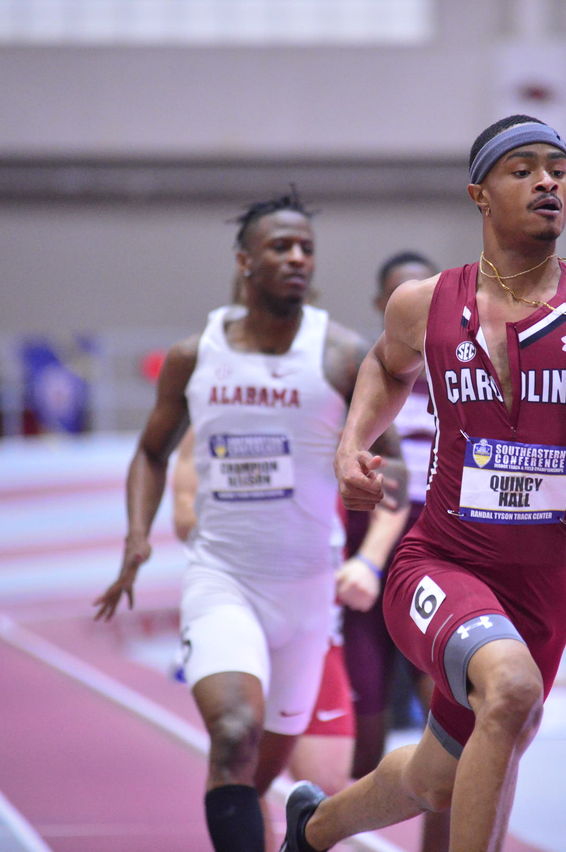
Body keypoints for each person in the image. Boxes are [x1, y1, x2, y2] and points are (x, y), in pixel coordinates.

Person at [282, 115, 566, 852]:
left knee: (440, 778)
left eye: (558, 170)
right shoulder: (425, 303)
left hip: (540, 593)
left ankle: (312, 829)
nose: (547, 183)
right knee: (510, 687)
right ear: (480, 194)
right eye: (524, 169)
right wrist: (352, 445)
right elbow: (385, 364)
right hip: (438, 564)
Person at [93, 190, 408, 852]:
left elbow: (398, 468)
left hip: (307, 595)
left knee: (258, 774)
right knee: (234, 734)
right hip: (223, 580)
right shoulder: (195, 355)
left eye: (306, 248)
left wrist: (369, 480)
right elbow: (150, 452)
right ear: (244, 260)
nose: (297, 258)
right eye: (280, 247)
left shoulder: (341, 354)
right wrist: (136, 539)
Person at [171, 426, 359, 801]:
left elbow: (393, 482)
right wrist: (254, 517)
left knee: (326, 786)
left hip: (314, 624)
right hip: (243, 610)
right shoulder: (211, 419)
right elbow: (183, 515)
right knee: (242, 756)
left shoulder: (327, 412)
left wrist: (369, 561)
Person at [341, 251, 450, 852]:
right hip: (370, 556)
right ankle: (343, 834)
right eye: (398, 296)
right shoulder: (361, 374)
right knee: (366, 733)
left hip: (439, 554)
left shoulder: (469, 370)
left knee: (451, 730)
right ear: (384, 307)